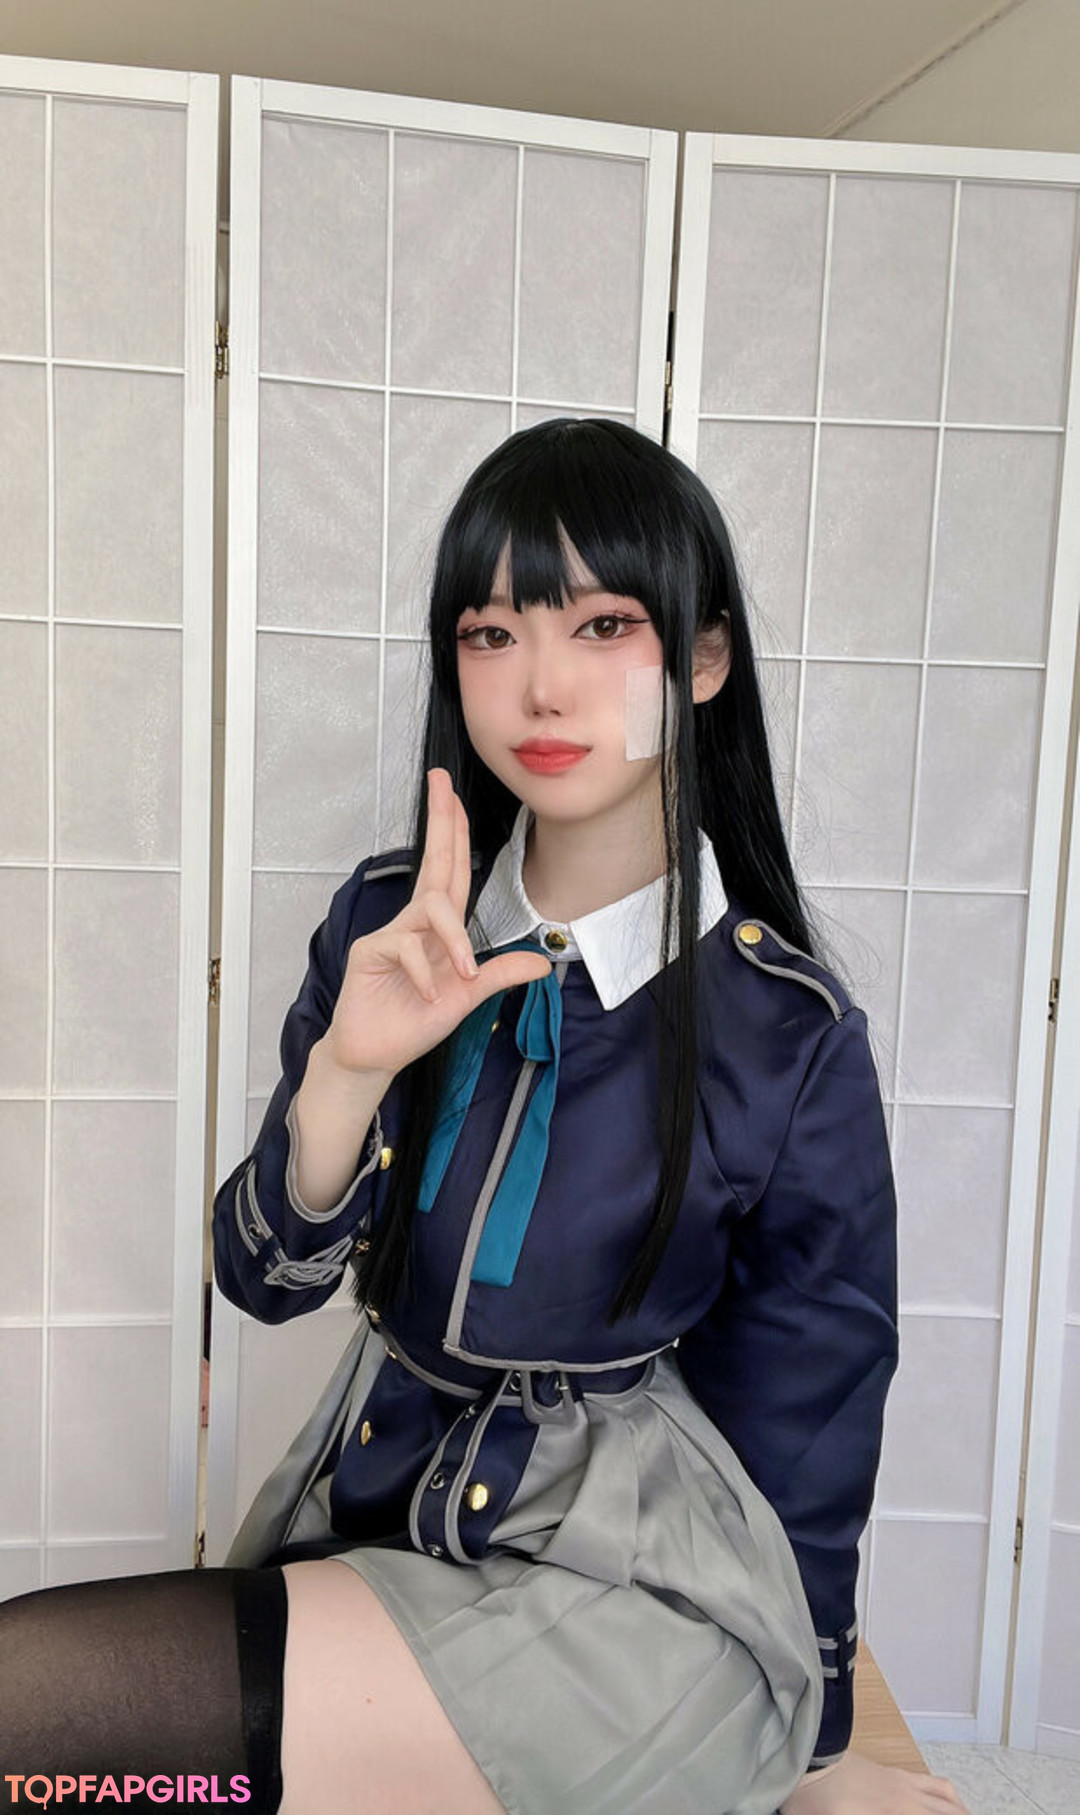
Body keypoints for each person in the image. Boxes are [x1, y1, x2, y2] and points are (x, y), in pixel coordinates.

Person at [0, 418, 967, 1815]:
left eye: (604, 625)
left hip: (635, 1600)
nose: (542, 684)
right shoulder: (389, 923)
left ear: (703, 661)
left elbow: (811, 1419)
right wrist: (348, 1072)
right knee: (64, 1745)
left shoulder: (786, 1033)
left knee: (38, 1721)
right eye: (493, 633)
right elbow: (264, 1282)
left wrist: (804, 1760)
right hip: (382, 1513)